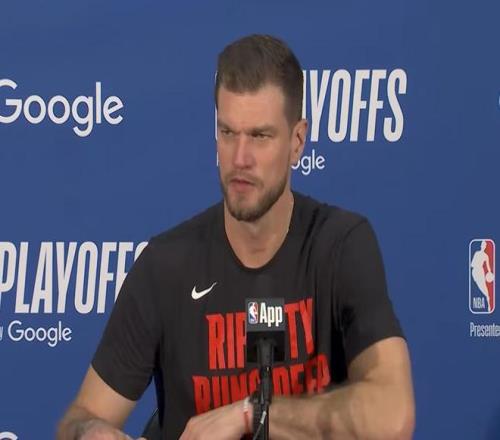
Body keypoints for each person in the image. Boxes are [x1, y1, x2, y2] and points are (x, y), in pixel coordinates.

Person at [57, 34, 415, 440]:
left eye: (259, 136)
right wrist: (89, 432)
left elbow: (393, 416)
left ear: (297, 141)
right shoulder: (166, 265)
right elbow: (80, 418)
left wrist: (253, 414)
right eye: (228, 132)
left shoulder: (339, 245)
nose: (239, 158)